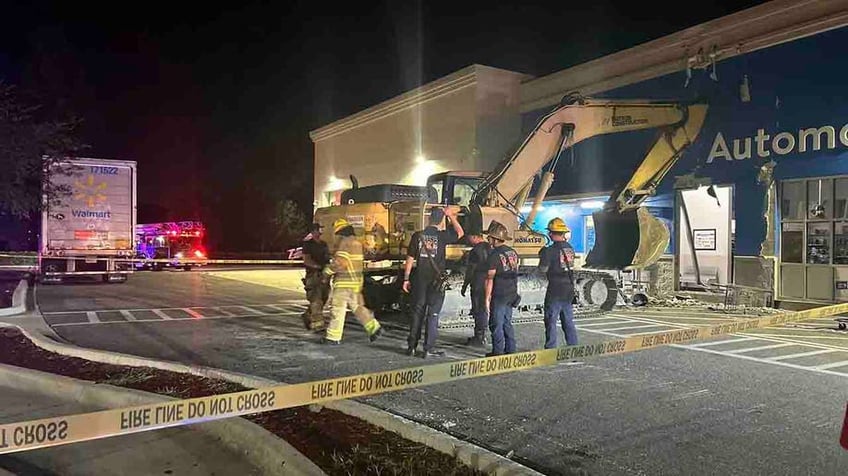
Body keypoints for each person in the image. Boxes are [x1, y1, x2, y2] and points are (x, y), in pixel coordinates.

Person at [402, 206, 464, 358]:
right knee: (433, 314)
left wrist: (406, 279)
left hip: (419, 280)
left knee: (417, 313)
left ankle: (411, 347)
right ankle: (428, 349)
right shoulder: (442, 236)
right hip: (436, 282)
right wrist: (452, 217)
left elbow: (409, 259)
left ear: (429, 218)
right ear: (441, 220)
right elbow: (460, 233)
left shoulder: (418, 236)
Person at [322, 218, 383, 345]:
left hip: (344, 283)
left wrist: (327, 271)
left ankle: (333, 337)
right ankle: (374, 328)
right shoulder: (357, 243)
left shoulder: (345, 243)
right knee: (358, 308)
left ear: (340, 232)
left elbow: (341, 263)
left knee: (337, 309)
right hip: (355, 283)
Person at [538, 217, 578, 348]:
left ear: (553, 233)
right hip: (568, 288)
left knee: (551, 320)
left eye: (550, 232)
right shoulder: (570, 248)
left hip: (555, 289)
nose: (549, 234)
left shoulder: (549, 251)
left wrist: (542, 255)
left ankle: (550, 348)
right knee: (568, 320)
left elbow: (543, 269)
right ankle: (573, 347)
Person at [484, 220, 520, 356]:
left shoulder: (493, 256)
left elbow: (490, 279)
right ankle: (511, 350)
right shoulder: (513, 252)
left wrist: (487, 299)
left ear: (495, 239)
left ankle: (497, 352)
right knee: (507, 322)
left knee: (496, 323)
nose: (488, 239)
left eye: (489, 237)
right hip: (511, 292)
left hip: (499, 294)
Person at [460, 230, 491, 347]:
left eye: (469, 237)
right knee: (484, 308)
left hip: (478, 282)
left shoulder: (475, 251)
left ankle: (479, 337)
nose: (468, 240)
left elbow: (471, 270)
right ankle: (483, 335)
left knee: (478, 309)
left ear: (475, 237)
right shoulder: (490, 248)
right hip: (489, 282)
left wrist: (465, 285)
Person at [301, 223, 331, 331]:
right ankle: (317, 325)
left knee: (324, 297)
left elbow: (327, 258)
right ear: (313, 231)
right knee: (316, 300)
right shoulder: (308, 244)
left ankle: (307, 314)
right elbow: (306, 260)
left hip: (324, 274)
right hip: (313, 275)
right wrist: (317, 266)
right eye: (319, 229)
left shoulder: (323, 244)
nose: (321, 231)